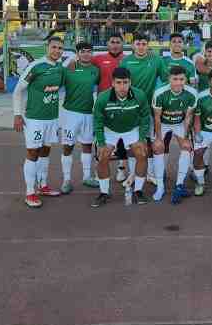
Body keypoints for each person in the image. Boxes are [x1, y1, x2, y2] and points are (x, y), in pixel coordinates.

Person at [12, 36, 66, 208]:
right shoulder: (36, 66)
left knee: (45, 151)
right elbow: (18, 91)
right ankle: (30, 192)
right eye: (54, 47)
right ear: (47, 47)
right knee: (33, 153)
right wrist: (17, 115)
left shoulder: (59, 67)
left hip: (52, 119)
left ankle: (43, 185)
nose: (57, 51)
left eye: (60, 48)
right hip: (34, 119)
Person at [91, 67, 151, 207]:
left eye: (125, 82)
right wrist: (100, 142)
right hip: (110, 129)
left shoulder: (140, 95)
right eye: (118, 82)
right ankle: (104, 192)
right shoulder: (103, 98)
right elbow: (98, 121)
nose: (122, 86)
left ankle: (138, 191)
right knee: (103, 156)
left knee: (142, 153)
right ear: (112, 83)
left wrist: (142, 138)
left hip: (132, 129)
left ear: (130, 82)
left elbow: (145, 118)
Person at [120, 33, 169, 187]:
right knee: (132, 141)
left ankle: (151, 173)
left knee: (150, 140)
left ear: (148, 45)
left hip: (150, 108)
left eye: (144, 44)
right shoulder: (126, 61)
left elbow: (167, 79)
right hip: (130, 108)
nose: (141, 47)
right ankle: (134, 173)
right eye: (138, 43)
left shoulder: (156, 60)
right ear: (133, 45)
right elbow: (120, 84)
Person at [152, 66, 198, 204]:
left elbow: (188, 117)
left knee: (186, 146)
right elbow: (157, 118)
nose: (178, 82)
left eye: (181, 79)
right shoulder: (159, 93)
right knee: (158, 148)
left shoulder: (191, 93)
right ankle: (160, 186)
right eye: (175, 79)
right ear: (169, 79)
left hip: (179, 123)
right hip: (163, 123)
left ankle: (179, 185)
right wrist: (159, 139)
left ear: (186, 79)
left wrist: (184, 136)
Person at [59, 42, 100, 194]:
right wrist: (68, 62)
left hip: (88, 113)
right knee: (67, 146)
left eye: (89, 51)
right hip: (70, 114)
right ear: (77, 53)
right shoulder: (69, 69)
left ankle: (87, 177)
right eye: (83, 51)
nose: (87, 54)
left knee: (87, 145)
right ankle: (67, 180)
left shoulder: (96, 71)